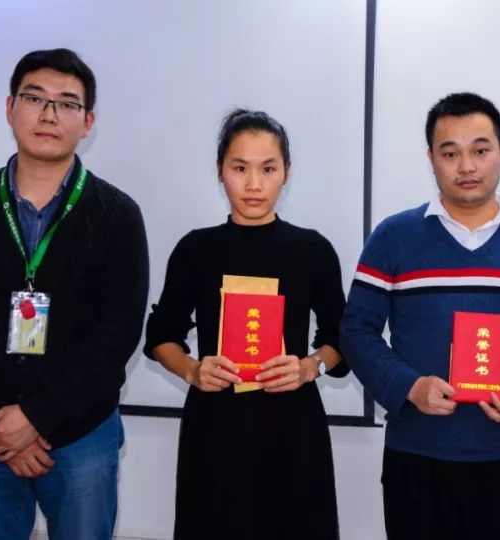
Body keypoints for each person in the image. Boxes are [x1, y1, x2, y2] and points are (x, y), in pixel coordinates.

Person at [0, 48, 149, 540]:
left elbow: (118, 333)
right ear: (10, 108)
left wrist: (36, 418)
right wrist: (1, 427)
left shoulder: (117, 215)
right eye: (34, 98)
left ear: (87, 122)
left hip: (81, 435)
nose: (48, 114)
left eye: (67, 103)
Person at [340, 92, 500, 539]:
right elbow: (357, 331)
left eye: (480, 150)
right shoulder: (393, 237)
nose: (467, 166)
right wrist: (409, 386)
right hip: (416, 457)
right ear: (431, 159)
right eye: (450, 153)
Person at [144, 109, 348, 539]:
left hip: (293, 428)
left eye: (268, 169)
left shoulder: (312, 250)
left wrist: (309, 367)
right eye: (240, 168)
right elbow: (162, 335)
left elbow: (340, 338)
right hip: (216, 427)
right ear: (220, 170)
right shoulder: (196, 249)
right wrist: (193, 370)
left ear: (286, 171)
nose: (254, 184)